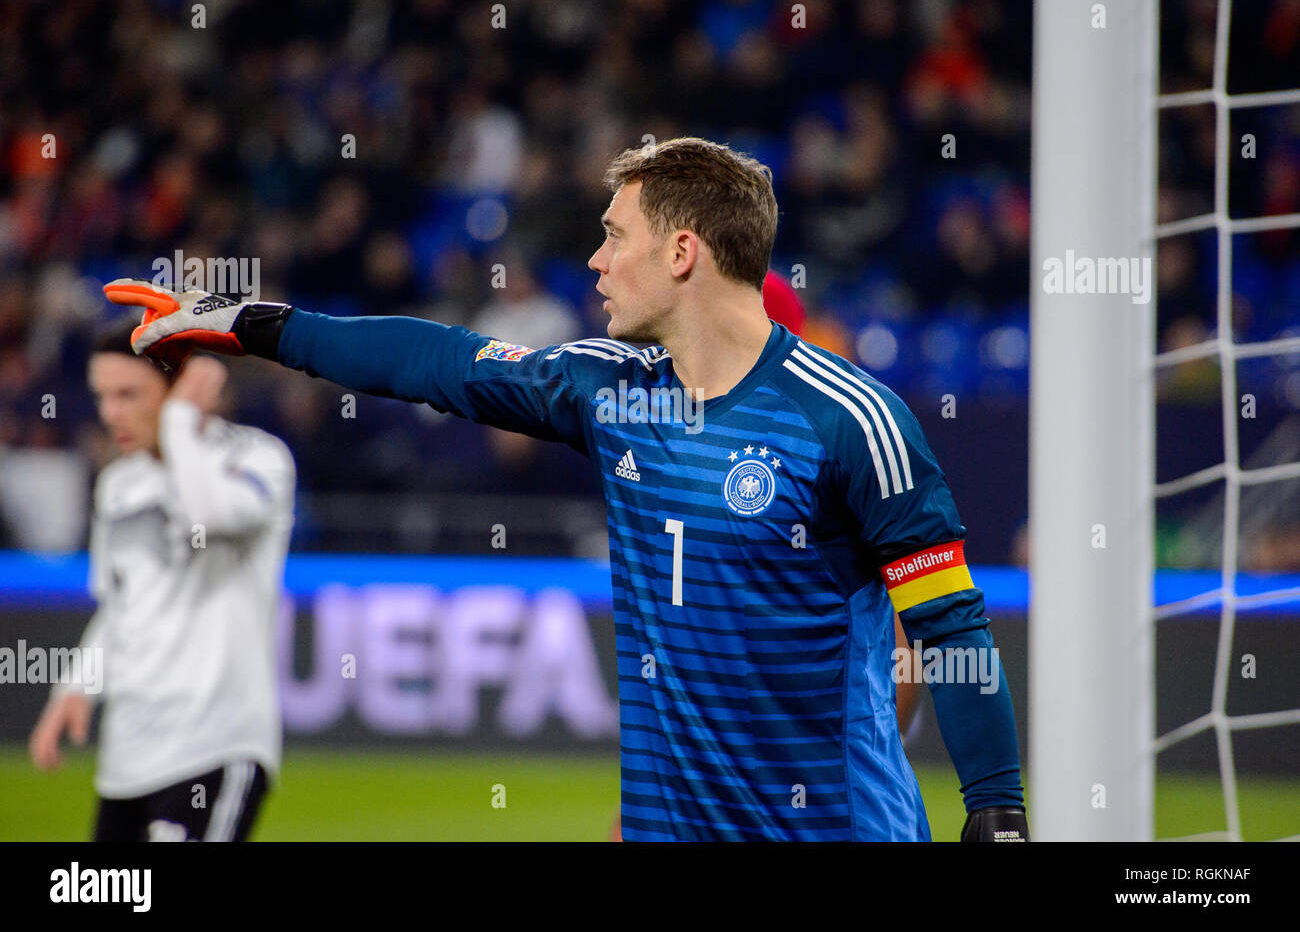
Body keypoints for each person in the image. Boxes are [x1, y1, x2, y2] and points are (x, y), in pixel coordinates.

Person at [104, 136, 1027, 842]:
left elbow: (950, 626)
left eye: (614, 235)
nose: (593, 260)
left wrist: (996, 807)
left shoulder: (852, 421)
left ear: (682, 252)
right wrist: (252, 323)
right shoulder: (607, 389)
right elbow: (435, 359)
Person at [28, 319, 295, 842]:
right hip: (128, 757)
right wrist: (76, 687)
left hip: (215, 745)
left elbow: (208, 518)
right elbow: (121, 606)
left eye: (129, 394)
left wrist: (177, 425)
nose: (110, 414)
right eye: (103, 396)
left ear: (182, 387)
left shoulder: (255, 459)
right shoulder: (118, 483)